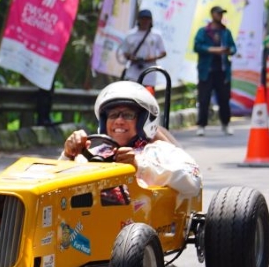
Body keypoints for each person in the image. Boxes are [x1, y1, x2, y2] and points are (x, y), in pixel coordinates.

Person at [61, 81, 201, 199]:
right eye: (113, 115)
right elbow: (58, 189)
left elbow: (193, 183)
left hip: (143, 224)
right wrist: (68, 155)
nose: (119, 121)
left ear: (142, 121)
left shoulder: (160, 151)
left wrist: (138, 167)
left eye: (128, 115)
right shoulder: (94, 153)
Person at [192, 5, 237, 136]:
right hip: (206, 70)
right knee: (204, 99)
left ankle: (226, 124)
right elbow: (197, 46)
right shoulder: (204, 31)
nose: (220, 16)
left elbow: (233, 48)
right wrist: (212, 50)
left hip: (222, 71)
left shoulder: (225, 32)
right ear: (212, 14)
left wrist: (228, 50)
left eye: (222, 14)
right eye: (218, 13)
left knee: (224, 99)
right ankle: (201, 125)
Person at [116, 9, 167, 82]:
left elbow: (163, 53)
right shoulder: (130, 35)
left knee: (148, 93)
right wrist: (132, 58)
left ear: (151, 20)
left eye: (147, 19)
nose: (145, 21)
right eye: (143, 19)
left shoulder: (156, 35)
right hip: (133, 74)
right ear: (138, 20)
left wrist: (151, 58)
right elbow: (124, 52)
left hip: (150, 74)